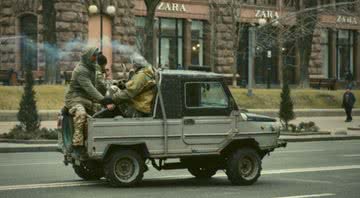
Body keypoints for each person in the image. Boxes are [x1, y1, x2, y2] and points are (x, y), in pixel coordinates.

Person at [64, 47, 114, 148]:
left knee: (100, 115)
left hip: (86, 99)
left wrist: (106, 97)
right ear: (87, 57)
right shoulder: (81, 70)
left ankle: (93, 141)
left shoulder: (91, 67)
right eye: (94, 56)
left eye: (96, 56)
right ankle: (77, 144)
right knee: (81, 114)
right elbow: (90, 88)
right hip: (74, 99)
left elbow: (97, 85)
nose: (96, 58)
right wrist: (103, 100)